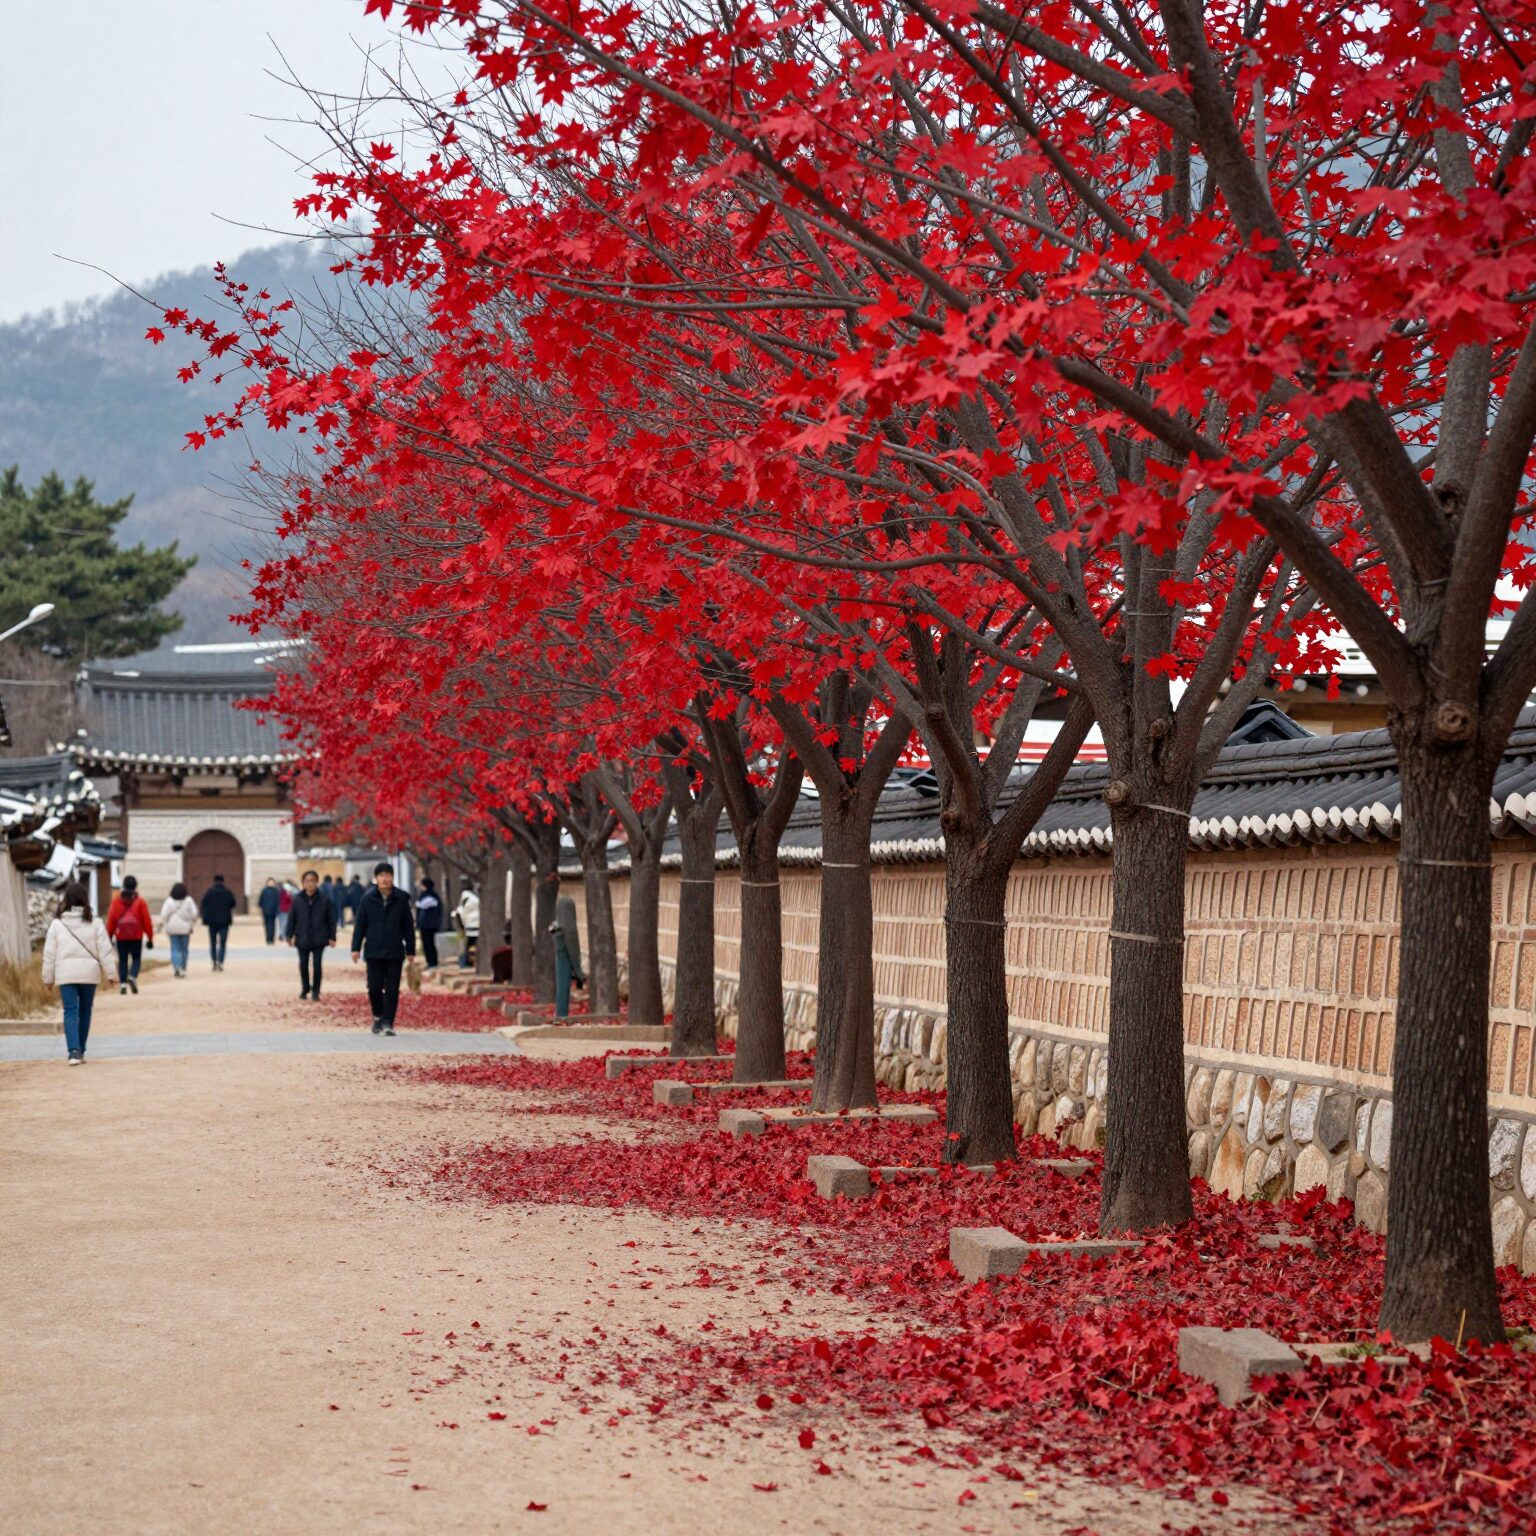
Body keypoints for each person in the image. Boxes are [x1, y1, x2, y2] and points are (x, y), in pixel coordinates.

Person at [42, 881, 115, 1064]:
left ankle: (73, 1052)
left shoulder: (57, 925)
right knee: (85, 1011)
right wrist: (111, 974)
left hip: (65, 975)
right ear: (85, 900)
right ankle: (80, 1050)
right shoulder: (95, 923)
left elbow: (49, 955)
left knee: (70, 1011)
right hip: (89, 974)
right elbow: (105, 950)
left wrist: (48, 978)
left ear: (66, 900)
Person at [351, 862, 416, 1035]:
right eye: (381, 875)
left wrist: (411, 949)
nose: (385, 879)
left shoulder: (401, 899)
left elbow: (408, 926)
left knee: (393, 988)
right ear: (376, 878)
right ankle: (378, 1015)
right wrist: (355, 947)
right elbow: (360, 925)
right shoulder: (367, 899)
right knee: (374, 987)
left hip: (395, 950)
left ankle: (388, 1022)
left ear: (392, 877)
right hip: (373, 950)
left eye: (388, 875)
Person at [288, 868, 338, 1000]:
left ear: (317, 883)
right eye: (307, 881)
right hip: (302, 936)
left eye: (313, 881)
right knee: (303, 964)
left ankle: (316, 990)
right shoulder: (297, 899)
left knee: (317, 965)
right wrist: (289, 934)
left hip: (319, 937)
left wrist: (332, 936)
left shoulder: (324, 900)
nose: (310, 884)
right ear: (303, 883)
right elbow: (292, 918)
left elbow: (331, 919)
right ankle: (305, 987)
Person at [105, 874, 154, 995]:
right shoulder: (140, 902)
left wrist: (109, 936)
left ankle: (122, 984)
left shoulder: (116, 901)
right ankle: (132, 976)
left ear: (123, 885)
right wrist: (150, 937)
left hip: (121, 936)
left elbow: (111, 920)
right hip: (136, 936)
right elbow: (146, 920)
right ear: (136, 886)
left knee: (122, 960)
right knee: (136, 959)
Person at [551, 895, 586, 1020]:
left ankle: (560, 1015)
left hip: (562, 957)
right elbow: (573, 948)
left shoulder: (556, 927)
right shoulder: (568, 929)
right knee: (563, 987)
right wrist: (578, 970)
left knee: (562, 986)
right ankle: (561, 1016)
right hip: (566, 958)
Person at [159, 882, 198, 977]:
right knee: (184, 949)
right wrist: (192, 923)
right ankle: (183, 967)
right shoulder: (188, 900)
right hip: (185, 928)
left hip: (172, 928)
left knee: (175, 948)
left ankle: (177, 967)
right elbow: (194, 914)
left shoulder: (169, 901)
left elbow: (164, 914)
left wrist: (164, 923)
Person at [200, 873, 237, 971]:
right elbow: (233, 903)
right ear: (223, 882)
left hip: (212, 921)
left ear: (214, 881)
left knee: (212, 942)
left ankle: (214, 961)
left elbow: (203, 904)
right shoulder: (227, 892)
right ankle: (220, 961)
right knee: (223, 942)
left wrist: (205, 916)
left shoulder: (209, 892)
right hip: (224, 921)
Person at [415, 876, 444, 975]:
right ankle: (429, 961)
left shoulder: (431, 897)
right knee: (426, 944)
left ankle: (433, 962)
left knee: (429, 943)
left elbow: (420, 905)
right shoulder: (425, 895)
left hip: (429, 925)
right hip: (425, 925)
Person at [455, 883, 480, 970]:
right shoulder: (477, 898)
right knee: (473, 944)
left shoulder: (465, 897)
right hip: (477, 924)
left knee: (466, 945)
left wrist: (461, 925)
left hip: (468, 925)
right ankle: (471, 961)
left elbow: (460, 912)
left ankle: (465, 962)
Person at [257, 878, 281, 944]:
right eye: (270, 882)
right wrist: (261, 908)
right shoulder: (264, 891)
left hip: (273, 911)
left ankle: (272, 939)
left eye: (272, 882)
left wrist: (278, 909)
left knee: (273, 925)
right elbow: (260, 901)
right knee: (267, 925)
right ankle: (268, 939)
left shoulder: (276, 891)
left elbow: (278, 901)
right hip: (266, 911)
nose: (271, 883)